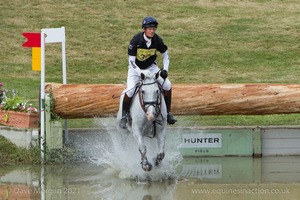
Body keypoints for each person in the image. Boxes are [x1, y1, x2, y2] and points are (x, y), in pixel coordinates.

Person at [119, 16, 177, 129]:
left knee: (167, 85)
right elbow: (131, 61)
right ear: (144, 29)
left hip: (151, 67)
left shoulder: (157, 40)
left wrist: (165, 69)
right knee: (130, 90)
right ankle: (124, 115)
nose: (152, 31)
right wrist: (139, 72)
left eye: (154, 29)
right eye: (150, 28)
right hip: (135, 69)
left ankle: (168, 113)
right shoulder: (136, 40)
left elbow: (166, 56)